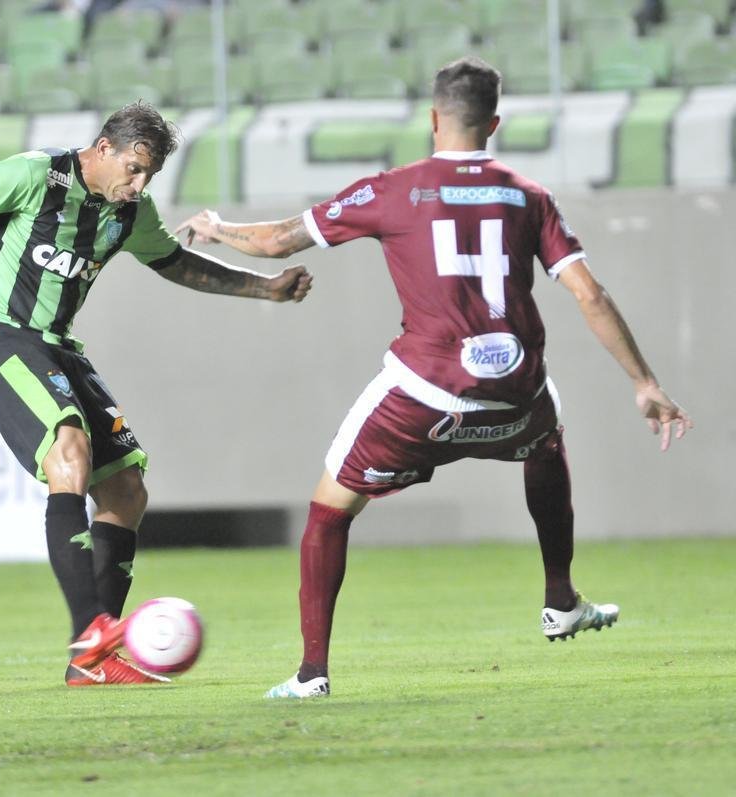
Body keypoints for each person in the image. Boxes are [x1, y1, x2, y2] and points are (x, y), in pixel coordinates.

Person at [174, 56, 692, 700]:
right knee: (547, 435)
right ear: (494, 123)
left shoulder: (392, 190)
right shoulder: (529, 196)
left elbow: (278, 241)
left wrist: (217, 229)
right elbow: (590, 294)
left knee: (328, 511)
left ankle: (312, 674)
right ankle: (560, 598)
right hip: (515, 392)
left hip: (424, 394)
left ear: (433, 118)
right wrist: (644, 382)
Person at [0, 101, 312, 686]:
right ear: (104, 148)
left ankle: (93, 665)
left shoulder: (130, 213)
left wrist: (266, 289)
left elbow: (177, 263)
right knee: (69, 446)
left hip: (60, 347)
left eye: (150, 175)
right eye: (134, 168)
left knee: (127, 490)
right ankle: (92, 631)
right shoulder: (34, 175)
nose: (139, 185)